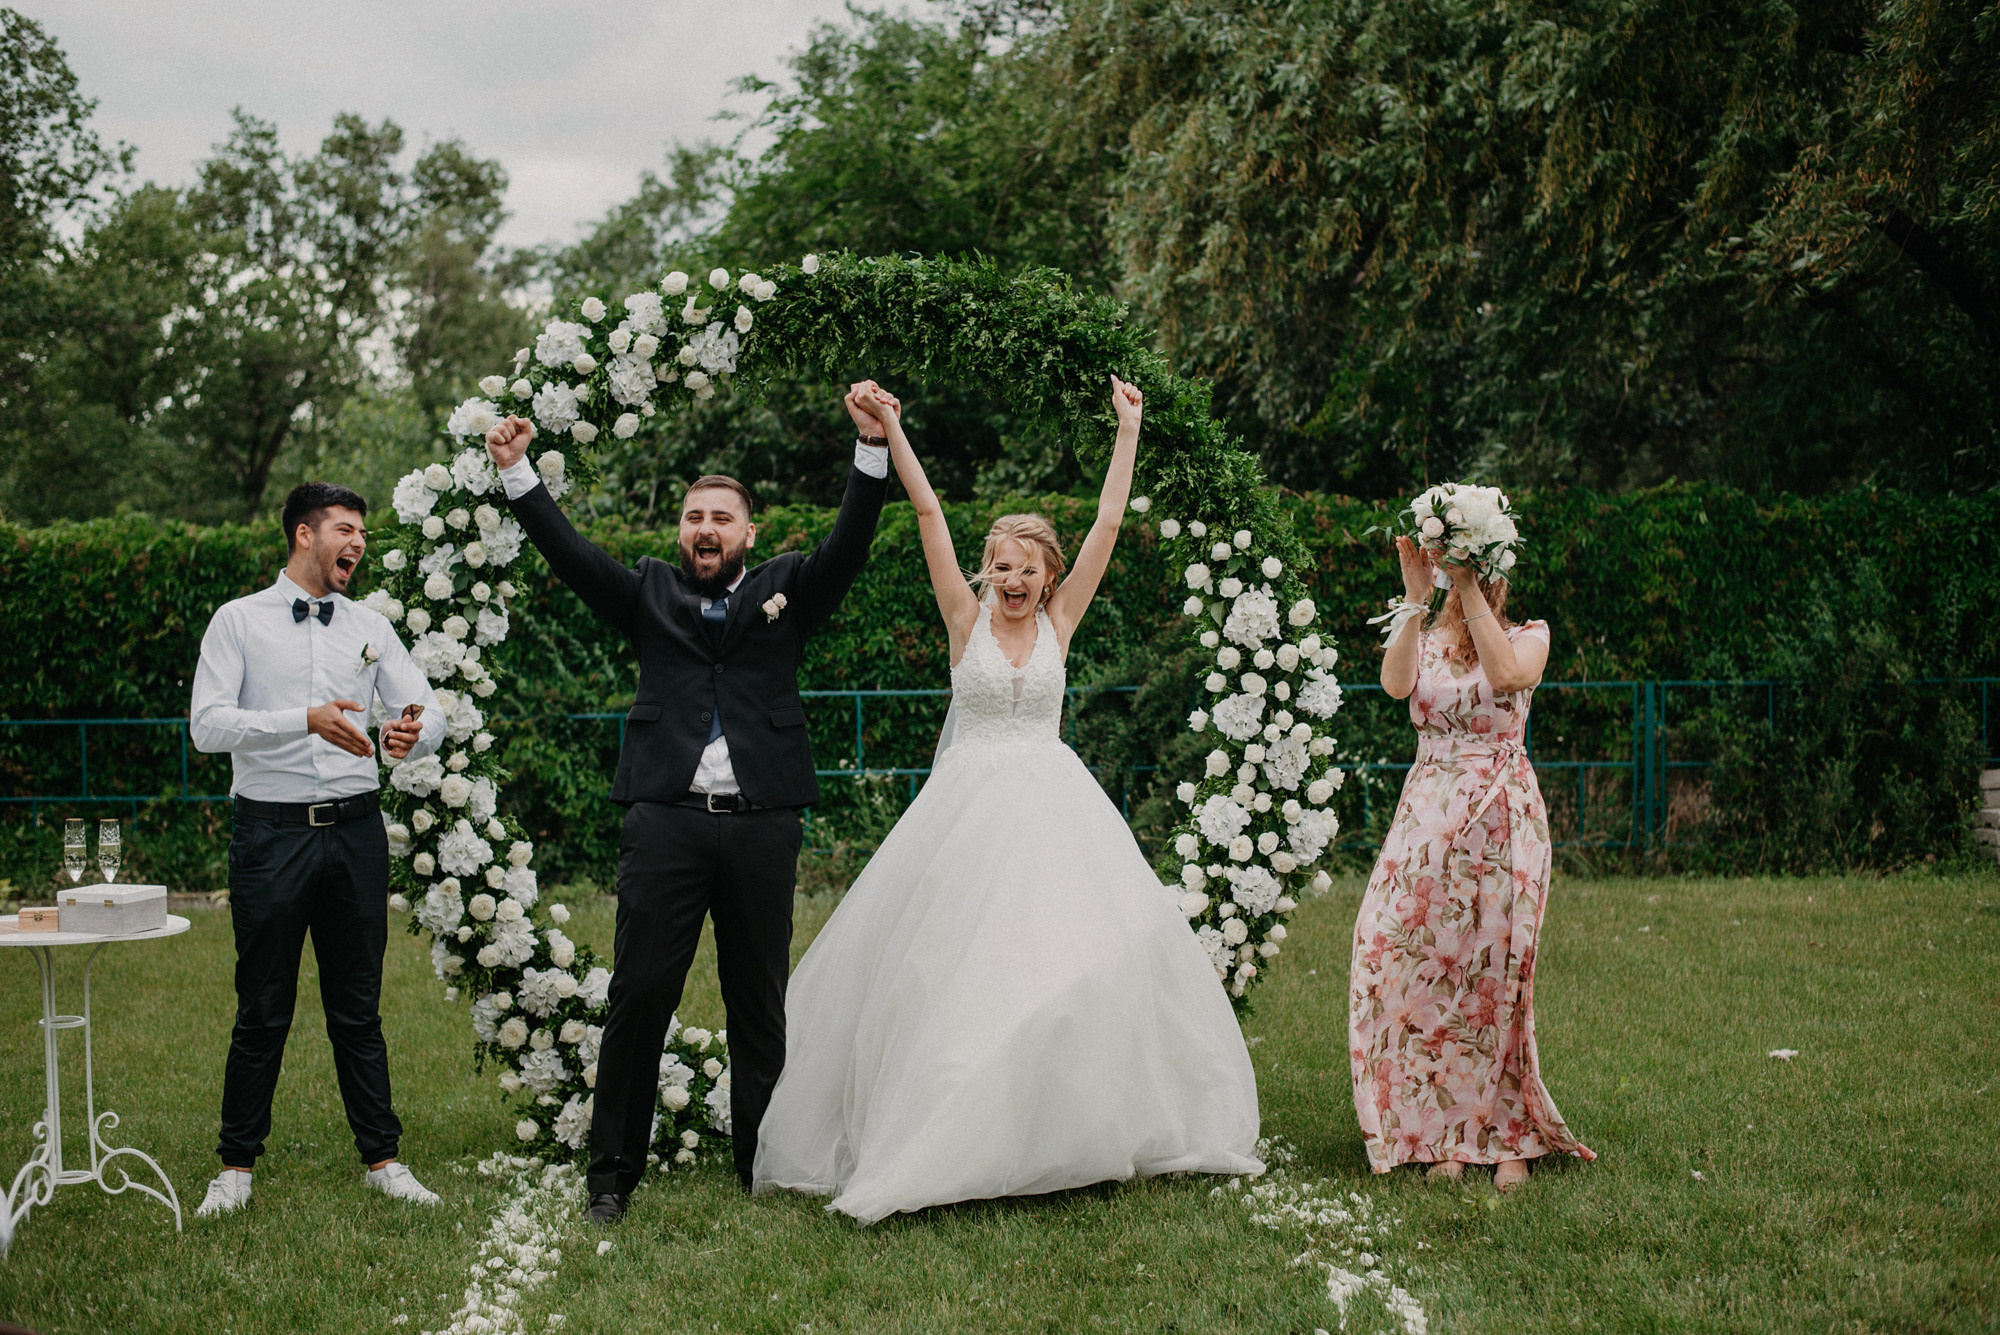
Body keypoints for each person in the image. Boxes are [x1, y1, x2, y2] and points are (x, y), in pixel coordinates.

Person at [754, 378, 1264, 1225]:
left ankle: (1061, 1131)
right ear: (987, 569)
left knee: (1069, 968)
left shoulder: (1063, 620)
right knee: (953, 975)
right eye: (1003, 566)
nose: (1014, 580)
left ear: (1048, 574)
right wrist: (894, 429)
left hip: (1059, 807)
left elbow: (1107, 523)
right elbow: (924, 512)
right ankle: (949, 1135)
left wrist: (1127, 433)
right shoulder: (965, 617)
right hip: (968, 815)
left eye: (1029, 569)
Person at [481, 388, 893, 1224]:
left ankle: (762, 1162)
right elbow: (571, 555)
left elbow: (850, 544)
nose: (705, 529)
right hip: (664, 818)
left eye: (721, 518)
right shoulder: (650, 593)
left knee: (758, 1001)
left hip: (761, 824)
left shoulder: (787, 589)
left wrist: (871, 447)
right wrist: (517, 472)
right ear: (682, 531)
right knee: (640, 994)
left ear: (750, 533)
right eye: (693, 516)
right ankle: (610, 1174)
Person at [188, 482, 447, 1219]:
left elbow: (424, 709)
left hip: (358, 831)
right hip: (269, 835)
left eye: (362, 530)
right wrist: (302, 719)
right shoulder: (238, 621)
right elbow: (208, 725)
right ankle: (234, 1169)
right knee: (263, 1006)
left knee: (358, 1007)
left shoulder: (369, 624)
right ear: (304, 535)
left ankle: (384, 1160)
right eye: (344, 528)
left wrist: (409, 731)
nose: (358, 542)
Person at [1349, 535, 1595, 1190]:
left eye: (1477, 571)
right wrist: (1413, 597)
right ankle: (1440, 1133)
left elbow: (1510, 676)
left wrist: (1464, 589)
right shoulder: (1422, 639)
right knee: (1403, 958)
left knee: (1494, 976)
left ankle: (1505, 1136)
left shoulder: (1529, 635)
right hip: (1426, 815)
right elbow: (1395, 684)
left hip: (1500, 817)